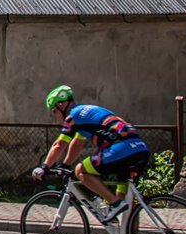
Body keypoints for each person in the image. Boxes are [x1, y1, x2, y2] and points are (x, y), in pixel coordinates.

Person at [32, 85, 151, 223]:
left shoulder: (72, 117)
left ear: (61, 105)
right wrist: (65, 164)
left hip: (122, 148)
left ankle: (114, 204)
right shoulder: (86, 114)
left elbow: (59, 145)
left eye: (54, 111)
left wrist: (44, 167)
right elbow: (77, 143)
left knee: (81, 170)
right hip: (139, 148)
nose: (55, 116)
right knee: (126, 201)